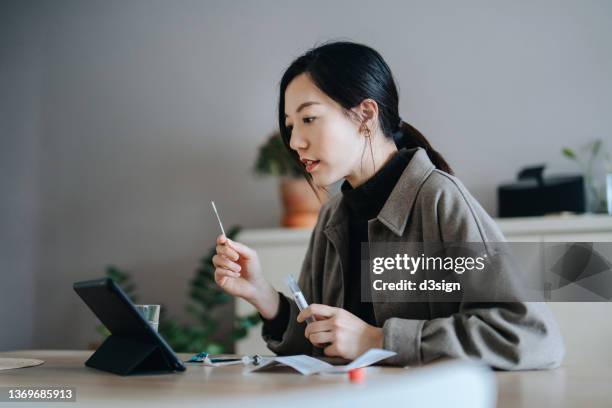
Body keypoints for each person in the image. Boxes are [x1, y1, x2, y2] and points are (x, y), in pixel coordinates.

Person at [212, 41, 564, 369]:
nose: (295, 142)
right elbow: (322, 344)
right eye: (290, 126)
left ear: (366, 115)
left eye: (309, 119)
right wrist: (263, 297)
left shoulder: (440, 200)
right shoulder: (334, 215)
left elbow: (529, 337)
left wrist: (377, 339)